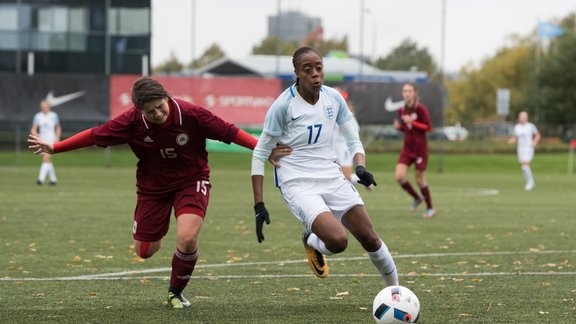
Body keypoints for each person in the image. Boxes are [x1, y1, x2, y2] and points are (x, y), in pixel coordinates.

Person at [28, 76, 288, 309]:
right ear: (139, 110)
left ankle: (176, 291)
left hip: (191, 180)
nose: (158, 113)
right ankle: (154, 231)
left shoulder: (191, 114)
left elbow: (229, 132)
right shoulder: (130, 122)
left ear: (167, 97)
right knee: (145, 250)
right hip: (153, 188)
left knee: (186, 238)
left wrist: (262, 149)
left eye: (160, 106)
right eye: (150, 112)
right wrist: (56, 148)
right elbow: (96, 136)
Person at [251, 47, 399, 287]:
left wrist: (359, 166)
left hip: (331, 175)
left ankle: (396, 293)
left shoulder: (334, 98)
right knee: (338, 241)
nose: (315, 74)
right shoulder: (283, 106)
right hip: (297, 183)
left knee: (370, 238)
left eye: (318, 68)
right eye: (307, 70)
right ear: (297, 73)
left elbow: (352, 139)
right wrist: (259, 205)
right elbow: (259, 154)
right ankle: (312, 241)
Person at [393, 83, 435, 218]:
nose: (407, 93)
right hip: (407, 148)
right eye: (405, 91)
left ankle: (430, 208)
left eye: (410, 91)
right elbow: (407, 128)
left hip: (420, 149)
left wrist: (413, 122)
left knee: (419, 179)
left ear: (415, 93)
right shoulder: (401, 110)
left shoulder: (421, 109)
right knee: (399, 176)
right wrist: (399, 127)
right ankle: (417, 198)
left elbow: (428, 128)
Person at [332, 87, 360, 183]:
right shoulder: (329, 110)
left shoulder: (347, 113)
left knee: (346, 177)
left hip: (344, 146)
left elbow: (355, 130)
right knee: (334, 176)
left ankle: (364, 179)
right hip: (332, 146)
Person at [31, 99, 61, 185]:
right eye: (42, 107)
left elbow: (58, 127)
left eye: (45, 106)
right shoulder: (38, 116)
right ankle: (53, 179)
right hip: (42, 141)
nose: (44, 108)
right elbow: (33, 129)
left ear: (49, 107)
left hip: (51, 140)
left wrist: (57, 137)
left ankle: (41, 179)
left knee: (46, 158)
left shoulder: (54, 115)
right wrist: (37, 136)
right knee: (47, 160)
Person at [508, 111, 540, 191]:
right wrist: (512, 140)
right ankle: (530, 181)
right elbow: (516, 137)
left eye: (522, 117)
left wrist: (534, 142)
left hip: (528, 148)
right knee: (523, 166)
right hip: (520, 148)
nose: (520, 119)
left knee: (525, 164)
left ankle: (530, 182)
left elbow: (538, 135)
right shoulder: (517, 127)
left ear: (526, 118)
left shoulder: (530, 126)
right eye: (520, 117)